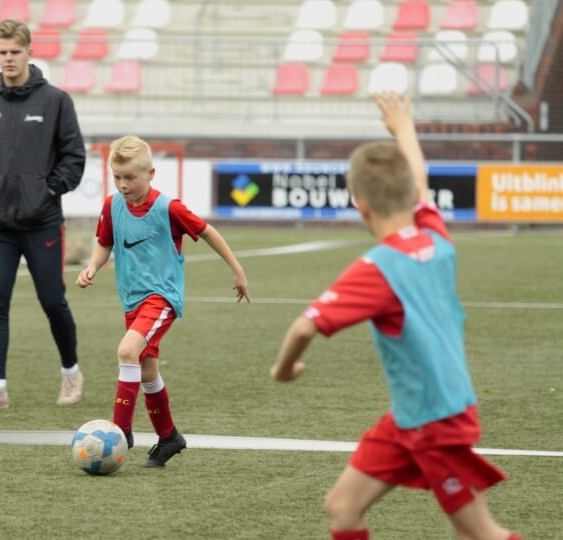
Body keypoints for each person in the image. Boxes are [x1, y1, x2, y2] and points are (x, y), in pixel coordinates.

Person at [269, 92, 521, 540]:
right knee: (342, 508)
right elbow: (419, 184)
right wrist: (403, 127)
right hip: (411, 417)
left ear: (361, 206)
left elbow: (304, 325)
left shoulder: (376, 270)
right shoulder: (435, 237)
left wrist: (284, 369)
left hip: (436, 420)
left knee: (481, 533)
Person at [77, 135, 250, 468]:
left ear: (151, 174)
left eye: (130, 177)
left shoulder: (169, 208)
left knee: (127, 351)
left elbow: (209, 231)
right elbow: (104, 242)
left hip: (162, 297)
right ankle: (169, 437)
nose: (123, 185)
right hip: (132, 300)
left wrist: (237, 270)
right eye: (117, 177)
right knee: (146, 370)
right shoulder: (112, 206)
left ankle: (120, 431)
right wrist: (92, 267)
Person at [0, 19, 86, 409]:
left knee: (52, 301)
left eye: (16, 51)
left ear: (30, 51)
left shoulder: (56, 101)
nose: (9, 59)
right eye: (2, 52)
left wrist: (48, 190)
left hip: (43, 223)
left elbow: (73, 157)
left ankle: (71, 374)